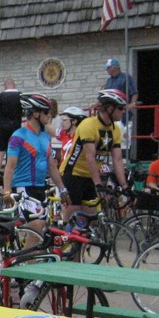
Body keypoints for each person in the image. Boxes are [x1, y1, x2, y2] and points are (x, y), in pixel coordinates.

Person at [59, 88, 130, 221]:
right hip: (73, 174)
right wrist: (98, 185)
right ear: (110, 108)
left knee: (88, 220)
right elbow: (90, 157)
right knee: (72, 219)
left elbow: (118, 159)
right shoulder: (88, 125)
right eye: (121, 108)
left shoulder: (116, 130)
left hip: (90, 176)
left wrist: (124, 186)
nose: (123, 111)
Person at [1, 94, 69, 230]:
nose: (49, 115)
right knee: (36, 228)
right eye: (46, 112)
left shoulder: (45, 136)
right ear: (35, 114)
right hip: (23, 188)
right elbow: (10, 166)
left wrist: (62, 189)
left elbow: (51, 166)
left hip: (40, 188)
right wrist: (7, 191)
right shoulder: (19, 136)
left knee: (43, 230)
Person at [0, 79, 22, 172]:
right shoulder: (20, 95)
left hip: (3, 126)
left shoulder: (0, 96)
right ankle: (12, 174)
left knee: (1, 152)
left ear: (5, 86)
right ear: (14, 85)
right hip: (16, 127)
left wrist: (1, 116)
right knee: (14, 151)